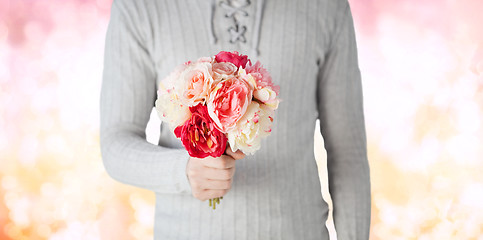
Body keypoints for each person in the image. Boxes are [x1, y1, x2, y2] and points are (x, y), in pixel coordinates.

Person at [100, 0, 371, 239]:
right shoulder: (138, 6)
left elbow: (348, 152)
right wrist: (182, 170)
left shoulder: (327, 6)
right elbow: (116, 142)